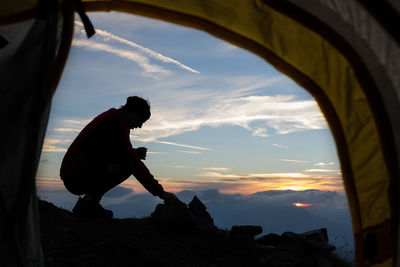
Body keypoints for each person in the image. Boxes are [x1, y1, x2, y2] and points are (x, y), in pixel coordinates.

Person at [60, 96, 177, 218]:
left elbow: (108, 150)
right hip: (76, 177)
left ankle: (89, 203)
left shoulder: (115, 118)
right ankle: (88, 205)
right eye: (141, 120)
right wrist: (161, 193)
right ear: (133, 113)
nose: (140, 126)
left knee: (127, 163)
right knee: (128, 167)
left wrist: (134, 153)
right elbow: (134, 164)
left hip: (75, 172)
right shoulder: (116, 124)